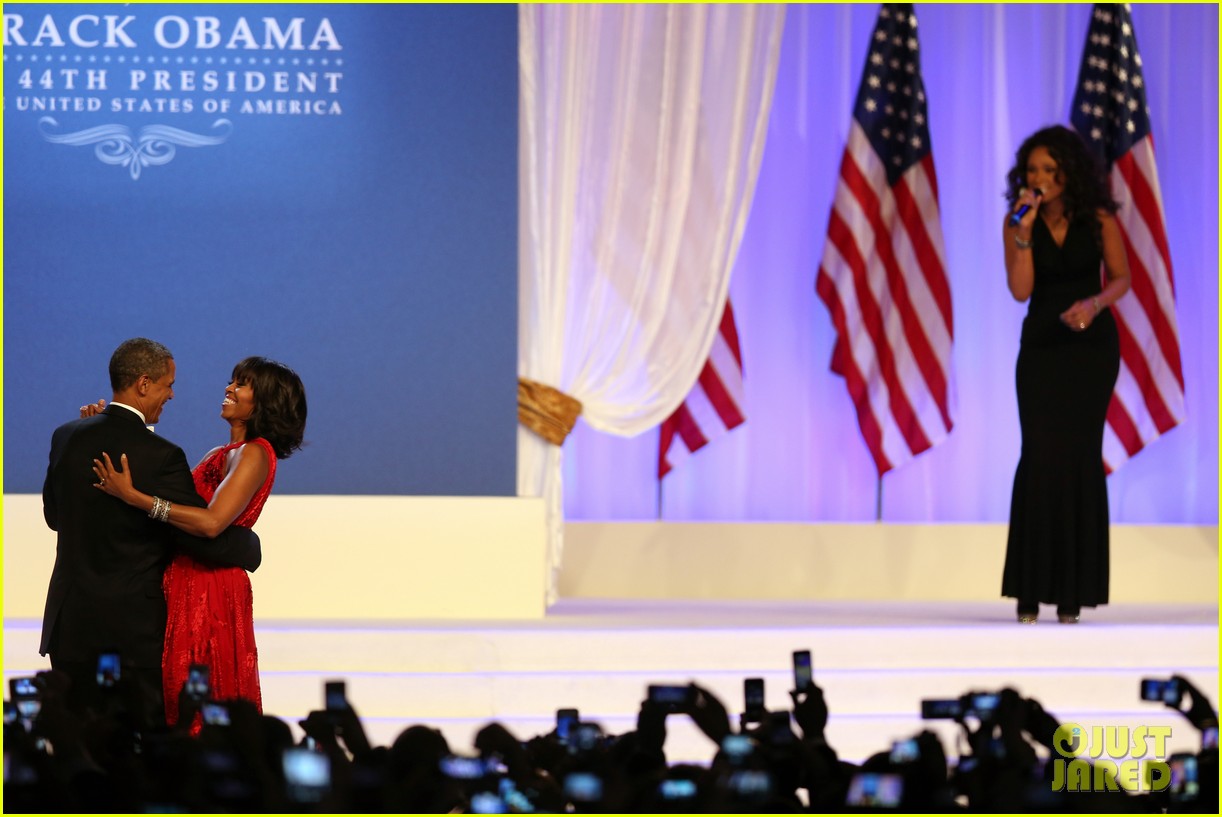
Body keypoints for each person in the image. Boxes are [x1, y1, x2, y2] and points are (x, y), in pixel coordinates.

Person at [41, 338, 263, 730]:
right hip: (132, 633)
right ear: (143, 384)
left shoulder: (66, 436)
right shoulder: (161, 455)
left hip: (70, 625)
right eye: (167, 384)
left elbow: (55, 517)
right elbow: (195, 533)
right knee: (135, 749)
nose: (171, 394)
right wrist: (248, 547)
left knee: (79, 739)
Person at [92, 356, 307, 726]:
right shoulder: (219, 454)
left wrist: (135, 498)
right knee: (180, 691)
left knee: (202, 694)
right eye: (232, 380)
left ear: (266, 402)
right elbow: (175, 503)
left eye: (241, 384)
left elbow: (210, 523)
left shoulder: (255, 453)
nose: (228, 388)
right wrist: (106, 431)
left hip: (211, 588)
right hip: (185, 580)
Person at [1000, 125, 1131, 625]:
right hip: (1041, 350)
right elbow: (1020, 290)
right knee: (1038, 456)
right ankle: (1029, 591)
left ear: (1067, 173)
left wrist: (1094, 305)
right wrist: (1024, 233)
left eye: (1049, 170)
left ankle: (1073, 591)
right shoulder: (1016, 221)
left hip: (1089, 349)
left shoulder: (1097, 218)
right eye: (1033, 170)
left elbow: (1122, 278)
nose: (1039, 178)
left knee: (1078, 458)